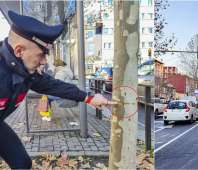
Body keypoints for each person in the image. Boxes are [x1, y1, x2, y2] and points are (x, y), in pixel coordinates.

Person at [0, 11, 116, 169]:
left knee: (22, 163)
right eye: (41, 55)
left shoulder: (26, 69)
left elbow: (54, 85)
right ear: (19, 51)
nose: (44, 62)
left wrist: (89, 98)